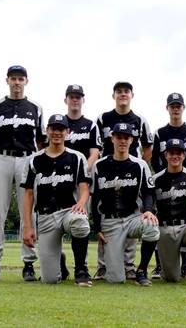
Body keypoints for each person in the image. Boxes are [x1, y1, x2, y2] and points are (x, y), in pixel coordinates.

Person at [0, 65, 46, 282]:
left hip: (27, 158)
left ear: (27, 81)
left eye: (20, 79)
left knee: (28, 212)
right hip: (1, 158)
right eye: (13, 78)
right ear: (6, 81)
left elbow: (40, 141)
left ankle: (28, 263)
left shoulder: (36, 107)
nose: (17, 82)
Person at [21, 114, 92, 286]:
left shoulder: (77, 157)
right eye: (53, 129)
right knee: (50, 279)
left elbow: (84, 189)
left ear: (67, 132)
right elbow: (28, 194)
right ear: (47, 130)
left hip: (69, 211)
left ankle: (81, 269)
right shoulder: (34, 159)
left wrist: (81, 204)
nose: (57, 133)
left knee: (80, 223)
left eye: (61, 129)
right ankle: (59, 260)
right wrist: (28, 226)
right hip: (46, 216)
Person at [95, 81, 154, 280]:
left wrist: (137, 167)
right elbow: (96, 145)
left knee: (133, 212)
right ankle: (104, 267)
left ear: (132, 95)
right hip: (108, 169)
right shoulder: (103, 118)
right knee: (107, 210)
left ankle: (131, 268)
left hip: (131, 170)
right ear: (113, 95)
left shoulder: (140, 120)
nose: (123, 94)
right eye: (119, 91)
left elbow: (148, 149)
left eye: (126, 91)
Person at [91, 123, 160, 286]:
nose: (122, 140)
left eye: (126, 137)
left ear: (132, 140)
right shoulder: (99, 165)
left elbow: (148, 192)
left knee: (151, 225)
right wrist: (98, 228)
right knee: (115, 279)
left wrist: (148, 210)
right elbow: (95, 200)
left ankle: (141, 270)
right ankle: (113, 269)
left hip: (132, 218)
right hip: (110, 222)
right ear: (112, 139)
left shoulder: (140, 165)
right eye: (119, 137)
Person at [150, 92, 186, 279]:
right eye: (172, 106)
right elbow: (155, 157)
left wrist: (185, 176)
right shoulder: (160, 132)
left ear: (183, 108)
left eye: (178, 106)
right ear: (167, 108)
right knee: (160, 218)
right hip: (164, 177)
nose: (175, 109)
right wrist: (163, 175)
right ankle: (159, 266)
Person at [150, 138, 186, 286]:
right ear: (166, 155)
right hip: (164, 228)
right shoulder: (155, 179)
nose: (175, 156)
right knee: (171, 278)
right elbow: (149, 205)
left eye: (179, 153)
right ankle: (169, 270)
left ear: (184, 155)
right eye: (171, 153)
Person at [61, 84, 102, 281]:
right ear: (66, 100)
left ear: (83, 100)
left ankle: (82, 265)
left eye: (78, 97)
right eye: (72, 96)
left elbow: (95, 151)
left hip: (83, 179)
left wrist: (83, 168)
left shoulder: (90, 124)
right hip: (60, 180)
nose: (75, 100)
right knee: (56, 216)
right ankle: (58, 258)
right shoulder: (59, 123)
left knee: (81, 218)